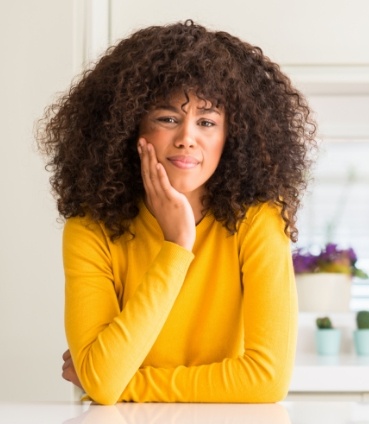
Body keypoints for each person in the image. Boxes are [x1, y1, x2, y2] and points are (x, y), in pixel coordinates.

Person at [37, 19, 316, 405]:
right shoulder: (90, 230)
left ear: (230, 138)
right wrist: (177, 246)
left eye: (207, 122)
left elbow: (266, 381)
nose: (187, 137)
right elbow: (102, 384)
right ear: (127, 127)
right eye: (167, 118)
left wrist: (123, 384)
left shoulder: (259, 222)